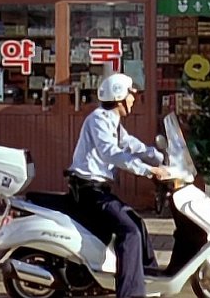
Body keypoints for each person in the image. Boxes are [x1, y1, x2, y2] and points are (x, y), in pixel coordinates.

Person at [68, 73, 170, 298]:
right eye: (132, 94)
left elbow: (130, 144)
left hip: (98, 190)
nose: (134, 99)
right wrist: (148, 170)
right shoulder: (99, 120)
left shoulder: (111, 121)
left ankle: (150, 278)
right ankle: (130, 294)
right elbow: (111, 153)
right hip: (88, 191)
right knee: (129, 231)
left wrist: (159, 157)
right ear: (119, 96)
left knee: (137, 223)